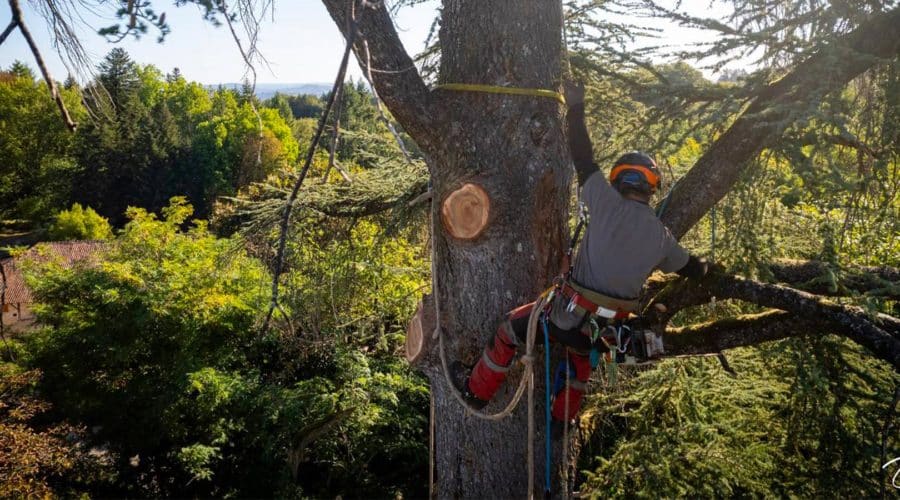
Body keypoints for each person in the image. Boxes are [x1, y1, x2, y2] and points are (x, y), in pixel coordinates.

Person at [451, 81, 708, 423]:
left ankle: (476, 392)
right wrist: (710, 270)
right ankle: (562, 421)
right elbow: (692, 267)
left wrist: (576, 106)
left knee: (509, 330)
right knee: (580, 361)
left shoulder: (604, 202)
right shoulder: (662, 237)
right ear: (650, 187)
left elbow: (582, 155)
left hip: (564, 318)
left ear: (619, 180)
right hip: (606, 334)